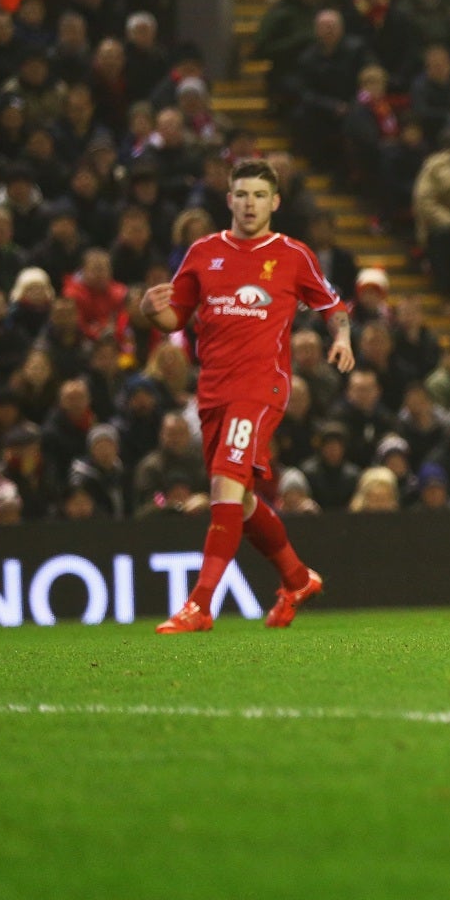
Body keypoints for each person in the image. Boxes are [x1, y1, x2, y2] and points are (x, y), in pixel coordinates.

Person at [139, 158, 353, 633]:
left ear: (275, 202)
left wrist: (342, 337)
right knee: (244, 501)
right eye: (242, 195)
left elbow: (333, 306)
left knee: (222, 489)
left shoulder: (293, 254)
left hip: (261, 388)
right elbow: (176, 317)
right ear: (229, 200)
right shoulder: (202, 253)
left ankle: (199, 605)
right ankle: (297, 579)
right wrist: (150, 312)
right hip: (213, 391)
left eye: (260, 195)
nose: (250, 204)